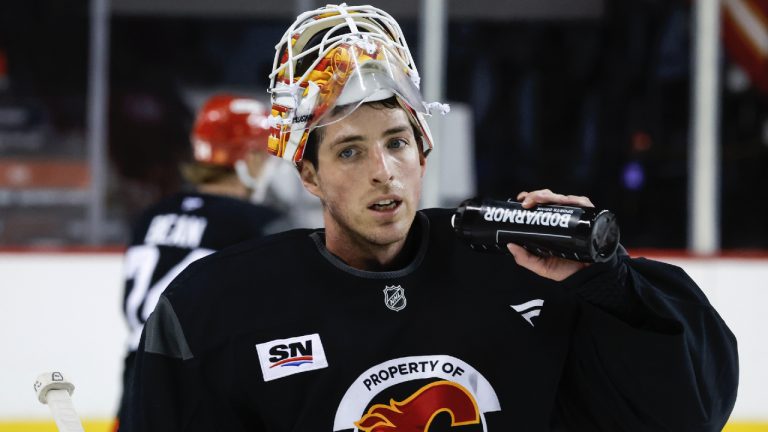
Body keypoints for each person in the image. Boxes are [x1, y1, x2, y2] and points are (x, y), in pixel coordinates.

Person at [122, 5, 738, 431]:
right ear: (308, 174)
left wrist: (611, 286)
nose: (383, 171)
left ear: (424, 149)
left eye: (396, 142)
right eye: (349, 150)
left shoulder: (521, 267)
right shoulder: (218, 306)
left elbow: (688, 413)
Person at [116, 94, 282, 428]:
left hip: (137, 386)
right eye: (261, 155)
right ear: (247, 158)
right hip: (206, 391)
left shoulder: (152, 216)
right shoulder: (258, 224)